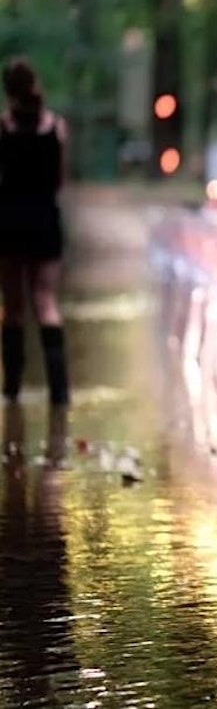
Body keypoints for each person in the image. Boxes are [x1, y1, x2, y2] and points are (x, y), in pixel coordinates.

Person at [0, 58, 70, 441]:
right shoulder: (56, 127)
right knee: (46, 302)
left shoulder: (3, 127)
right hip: (44, 219)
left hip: (9, 221)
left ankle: (12, 388)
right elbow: (60, 179)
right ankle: (59, 392)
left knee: (12, 307)